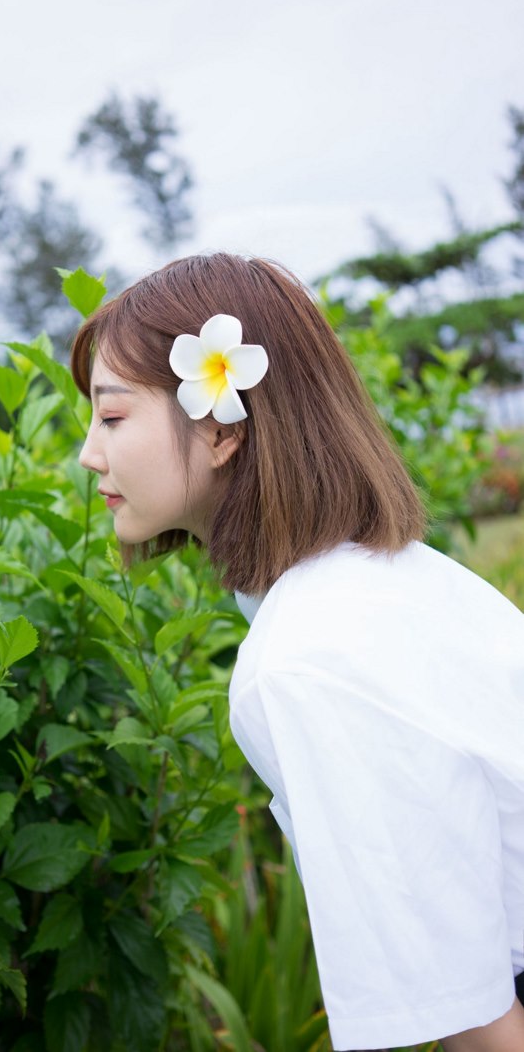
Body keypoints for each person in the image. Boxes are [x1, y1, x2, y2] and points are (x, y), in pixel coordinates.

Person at [70, 252, 524, 1052]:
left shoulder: (305, 659)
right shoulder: (386, 577)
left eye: (110, 417)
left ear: (218, 428)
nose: (88, 455)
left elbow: (479, 1022)